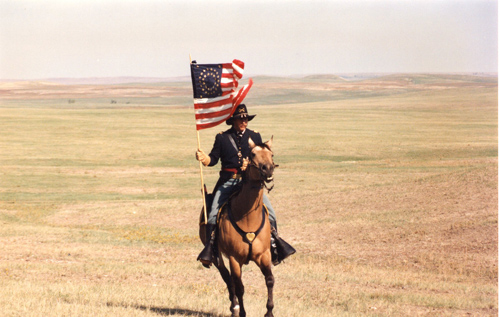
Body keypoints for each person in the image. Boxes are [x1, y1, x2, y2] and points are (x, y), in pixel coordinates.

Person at [196, 104, 295, 267]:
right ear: (233, 120)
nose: (244, 121)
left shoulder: (255, 136)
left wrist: (249, 166)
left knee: (271, 213)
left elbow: (261, 158)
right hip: (228, 182)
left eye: (245, 119)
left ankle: (275, 245)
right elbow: (214, 160)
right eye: (240, 119)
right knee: (213, 213)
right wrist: (205, 158)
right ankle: (210, 250)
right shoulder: (222, 138)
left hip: (249, 183)